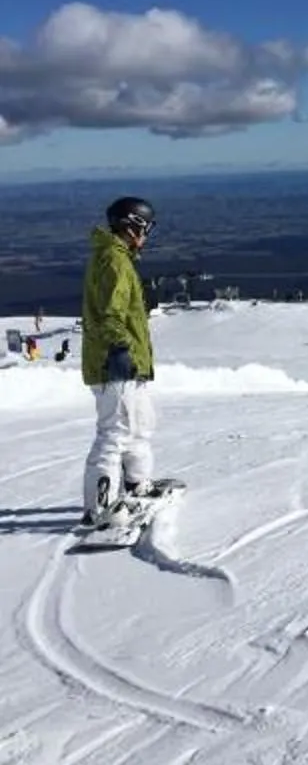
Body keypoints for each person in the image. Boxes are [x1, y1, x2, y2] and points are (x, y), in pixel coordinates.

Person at [81, 197, 163, 525]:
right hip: (114, 362)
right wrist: (121, 349)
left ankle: (135, 484)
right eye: (145, 227)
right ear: (130, 225)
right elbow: (108, 315)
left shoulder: (120, 259)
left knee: (140, 425)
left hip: (129, 363)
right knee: (114, 433)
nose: (147, 234)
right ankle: (100, 508)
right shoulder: (113, 261)